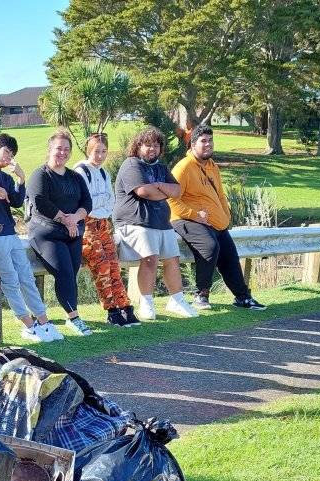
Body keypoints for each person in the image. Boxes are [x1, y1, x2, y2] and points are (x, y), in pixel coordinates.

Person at [0, 134, 61, 343]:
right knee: (10, 280)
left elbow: (17, 202)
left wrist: (20, 179)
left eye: (12, 154)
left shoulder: (7, 178)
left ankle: (44, 323)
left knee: (26, 278)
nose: (9, 157)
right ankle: (29, 326)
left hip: (11, 233)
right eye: (7, 152)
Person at [169, 124, 266, 311]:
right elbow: (171, 200)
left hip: (214, 222)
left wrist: (225, 215)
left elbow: (220, 195)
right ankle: (201, 294)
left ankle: (243, 297)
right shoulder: (184, 167)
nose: (208, 144)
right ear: (192, 144)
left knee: (229, 253)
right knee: (210, 246)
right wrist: (195, 215)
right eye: (203, 141)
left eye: (210, 140)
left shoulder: (213, 167)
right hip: (184, 219)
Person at [113, 126, 199, 320]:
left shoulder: (161, 167)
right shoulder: (131, 165)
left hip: (161, 222)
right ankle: (146, 303)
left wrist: (159, 185)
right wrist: (162, 191)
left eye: (156, 145)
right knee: (150, 258)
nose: (152, 149)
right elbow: (144, 192)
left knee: (172, 259)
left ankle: (176, 300)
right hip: (135, 223)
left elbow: (177, 191)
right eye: (148, 145)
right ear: (138, 146)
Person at [27, 130, 95, 337]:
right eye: (58, 148)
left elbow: (87, 203)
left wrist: (75, 218)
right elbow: (40, 202)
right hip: (46, 233)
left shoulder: (75, 177)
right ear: (50, 149)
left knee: (72, 272)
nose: (62, 153)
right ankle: (74, 317)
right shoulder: (41, 175)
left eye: (66, 149)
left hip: (72, 232)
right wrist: (65, 219)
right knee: (64, 271)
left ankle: (69, 315)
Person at [74, 132, 138, 327]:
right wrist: (98, 203)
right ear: (88, 150)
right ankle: (111, 310)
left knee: (113, 265)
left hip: (104, 225)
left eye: (104, 151)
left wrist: (99, 202)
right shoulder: (81, 171)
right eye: (96, 151)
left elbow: (110, 201)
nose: (100, 155)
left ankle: (125, 306)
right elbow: (87, 203)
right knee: (101, 267)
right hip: (88, 225)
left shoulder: (103, 172)